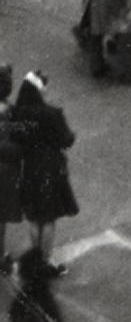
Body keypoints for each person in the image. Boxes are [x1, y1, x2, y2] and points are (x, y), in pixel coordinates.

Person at [9, 73, 76, 279]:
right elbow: (67, 139)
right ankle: (45, 263)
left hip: (27, 168)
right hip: (50, 169)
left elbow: (14, 139)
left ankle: (36, 260)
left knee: (33, 218)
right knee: (48, 218)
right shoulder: (52, 114)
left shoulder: (18, 114)